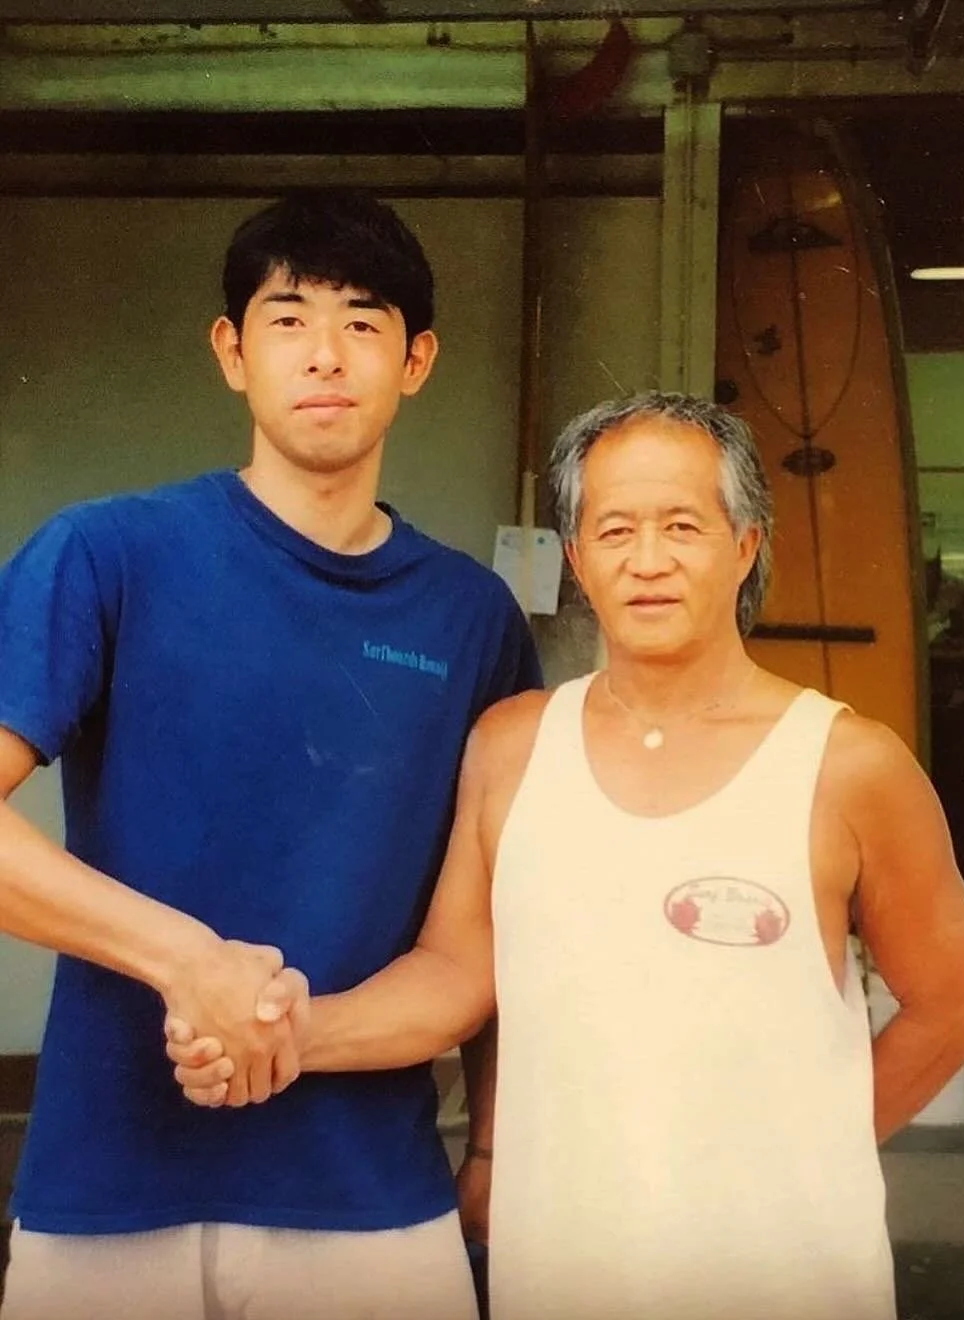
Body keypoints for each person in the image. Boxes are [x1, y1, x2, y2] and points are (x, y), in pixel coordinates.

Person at [171, 391, 964, 1320]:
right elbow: (452, 974)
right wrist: (285, 1034)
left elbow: (951, 1013)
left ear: (746, 546)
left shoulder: (848, 762)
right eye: (613, 531)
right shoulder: (514, 744)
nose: (647, 562)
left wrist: (810, 1154)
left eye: (683, 526)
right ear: (576, 560)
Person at [0, 189, 540, 1320]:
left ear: (419, 359)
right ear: (231, 352)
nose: (326, 354)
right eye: (288, 318)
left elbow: (484, 939)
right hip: (106, 1190)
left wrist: (490, 1145)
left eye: (364, 319)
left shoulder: (472, 618)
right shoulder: (108, 554)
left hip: (369, 1203)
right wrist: (185, 958)